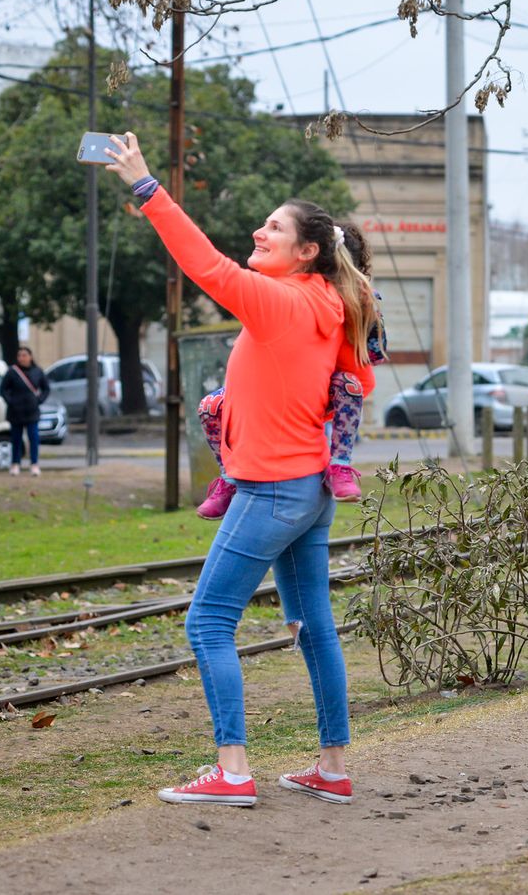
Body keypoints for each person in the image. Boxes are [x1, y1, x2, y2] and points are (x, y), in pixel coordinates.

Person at [103, 131, 374, 806]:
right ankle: (332, 767)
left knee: (207, 622)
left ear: (306, 252)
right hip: (309, 488)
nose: (260, 230)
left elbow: (207, 266)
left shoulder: (282, 301)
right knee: (314, 625)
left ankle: (230, 771)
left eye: (274, 227)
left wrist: (146, 187)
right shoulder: (321, 303)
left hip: (275, 489)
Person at [194, 273, 386, 519]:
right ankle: (228, 477)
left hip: (313, 382)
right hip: (264, 380)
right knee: (209, 406)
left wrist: (362, 308)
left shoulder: (344, 294)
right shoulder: (275, 284)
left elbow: (375, 354)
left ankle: (340, 465)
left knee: (348, 385)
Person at [0, 345, 50, 477]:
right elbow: (3, 389)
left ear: (30, 357)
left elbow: (46, 388)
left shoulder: (37, 371)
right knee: (16, 439)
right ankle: (15, 464)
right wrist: (10, 401)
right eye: (19, 355)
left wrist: (39, 400)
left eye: (24, 355)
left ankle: (34, 464)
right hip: (15, 411)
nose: (21, 358)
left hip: (32, 410)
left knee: (33, 438)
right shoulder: (12, 372)